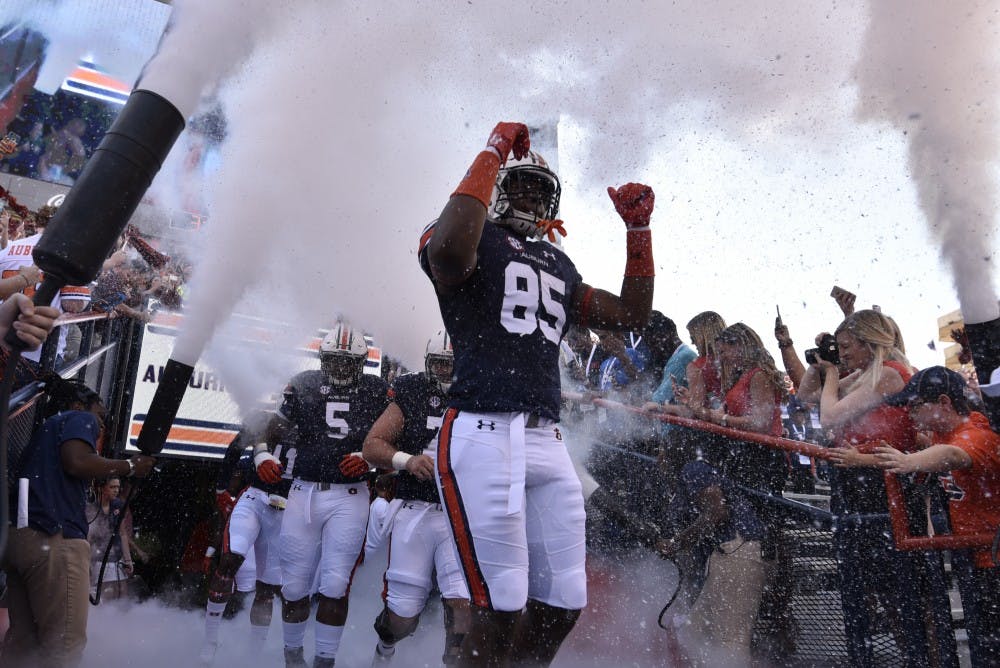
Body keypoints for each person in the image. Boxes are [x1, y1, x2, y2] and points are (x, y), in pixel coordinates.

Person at [420, 121, 655, 665]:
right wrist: (493, 150)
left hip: (546, 438)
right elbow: (451, 254)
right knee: (498, 604)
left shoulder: (559, 261)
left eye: (540, 191)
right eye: (520, 185)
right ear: (496, 185)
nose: (530, 196)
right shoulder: (463, 232)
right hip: (481, 428)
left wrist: (638, 234)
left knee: (564, 601)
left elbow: (632, 315)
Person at [796, 309, 944, 667]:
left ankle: (931, 660)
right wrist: (820, 366)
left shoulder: (889, 375)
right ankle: (914, 658)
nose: (842, 355)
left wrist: (832, 373)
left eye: (847, 347)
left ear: (868, 343)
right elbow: (808, 397)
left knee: (910, 591)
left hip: (889, 489)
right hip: (861, 492)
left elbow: (829, 416)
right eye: (840, 348)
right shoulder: (864, 374)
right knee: (885, 589)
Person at [255, 323, 388, 668]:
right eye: (334, 360)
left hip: (350, 496)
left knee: (334, 584)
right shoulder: (305, 382)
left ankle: (324, 662)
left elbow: (393, 438)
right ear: (322, 359)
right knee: (294, 586)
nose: (340, 368)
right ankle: (293, 657)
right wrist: (262, 454)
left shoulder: (376, 390)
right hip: (303, 491)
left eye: (347, 362)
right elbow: (270, 426)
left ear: (360, 363)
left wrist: (368, 457)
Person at [1, 376, 155, 667]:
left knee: (24, 643)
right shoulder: (77, 418)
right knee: (64, 647)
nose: (101, 426)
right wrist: (130, 466)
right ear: (78, 405)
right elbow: (77, 461)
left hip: (21, 539)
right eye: (100, 416)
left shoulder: (44, 433)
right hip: (53, 539)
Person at [875, 366, 1000, 666]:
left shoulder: (975, 434)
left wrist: (909, 461)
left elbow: (956, 455)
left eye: (916, 406)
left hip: (992, 561)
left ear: (944, 403)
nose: (910, 413)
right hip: (976, 559)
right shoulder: (943, 434)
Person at [361, 331, 470, 665]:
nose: (446, 373)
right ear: (427, 363)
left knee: (462, 603)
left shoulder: (483, 393)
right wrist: (406, 460)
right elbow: (372, 445)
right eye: (439, 364)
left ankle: (454, 659)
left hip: (462, 515)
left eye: (453, 365)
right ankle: (385, 647)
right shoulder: (412, 390)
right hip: (417, 510)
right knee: (402, 620)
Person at [657, 460, 770, 666]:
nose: (659, 457)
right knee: (694, 634)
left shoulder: (693, 469)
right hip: (726, 555)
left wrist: (676, 543)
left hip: (738, 551)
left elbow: (717, 512)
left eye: (662, 450)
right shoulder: (684, 480)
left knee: (730, 640)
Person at [199, 415, 289, 666]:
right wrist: (221, 487)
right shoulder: (270, 422)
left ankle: (255, 654)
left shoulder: (315, 424)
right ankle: (210, 639)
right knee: (230, 559)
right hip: (254, 498)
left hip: (287, 508)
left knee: (267, 589)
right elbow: (237, 446)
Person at [86, 476, 134, 601]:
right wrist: (87, 564)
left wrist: (128, 560)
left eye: (118, 487)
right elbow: (88, 538)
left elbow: (122, 533)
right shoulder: (91, 507)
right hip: (98, 560)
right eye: (112, 487)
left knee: (123, 595)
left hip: (117, 559)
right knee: (104, 598)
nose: (116, 490)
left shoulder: (118, 505)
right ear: (102, 488)